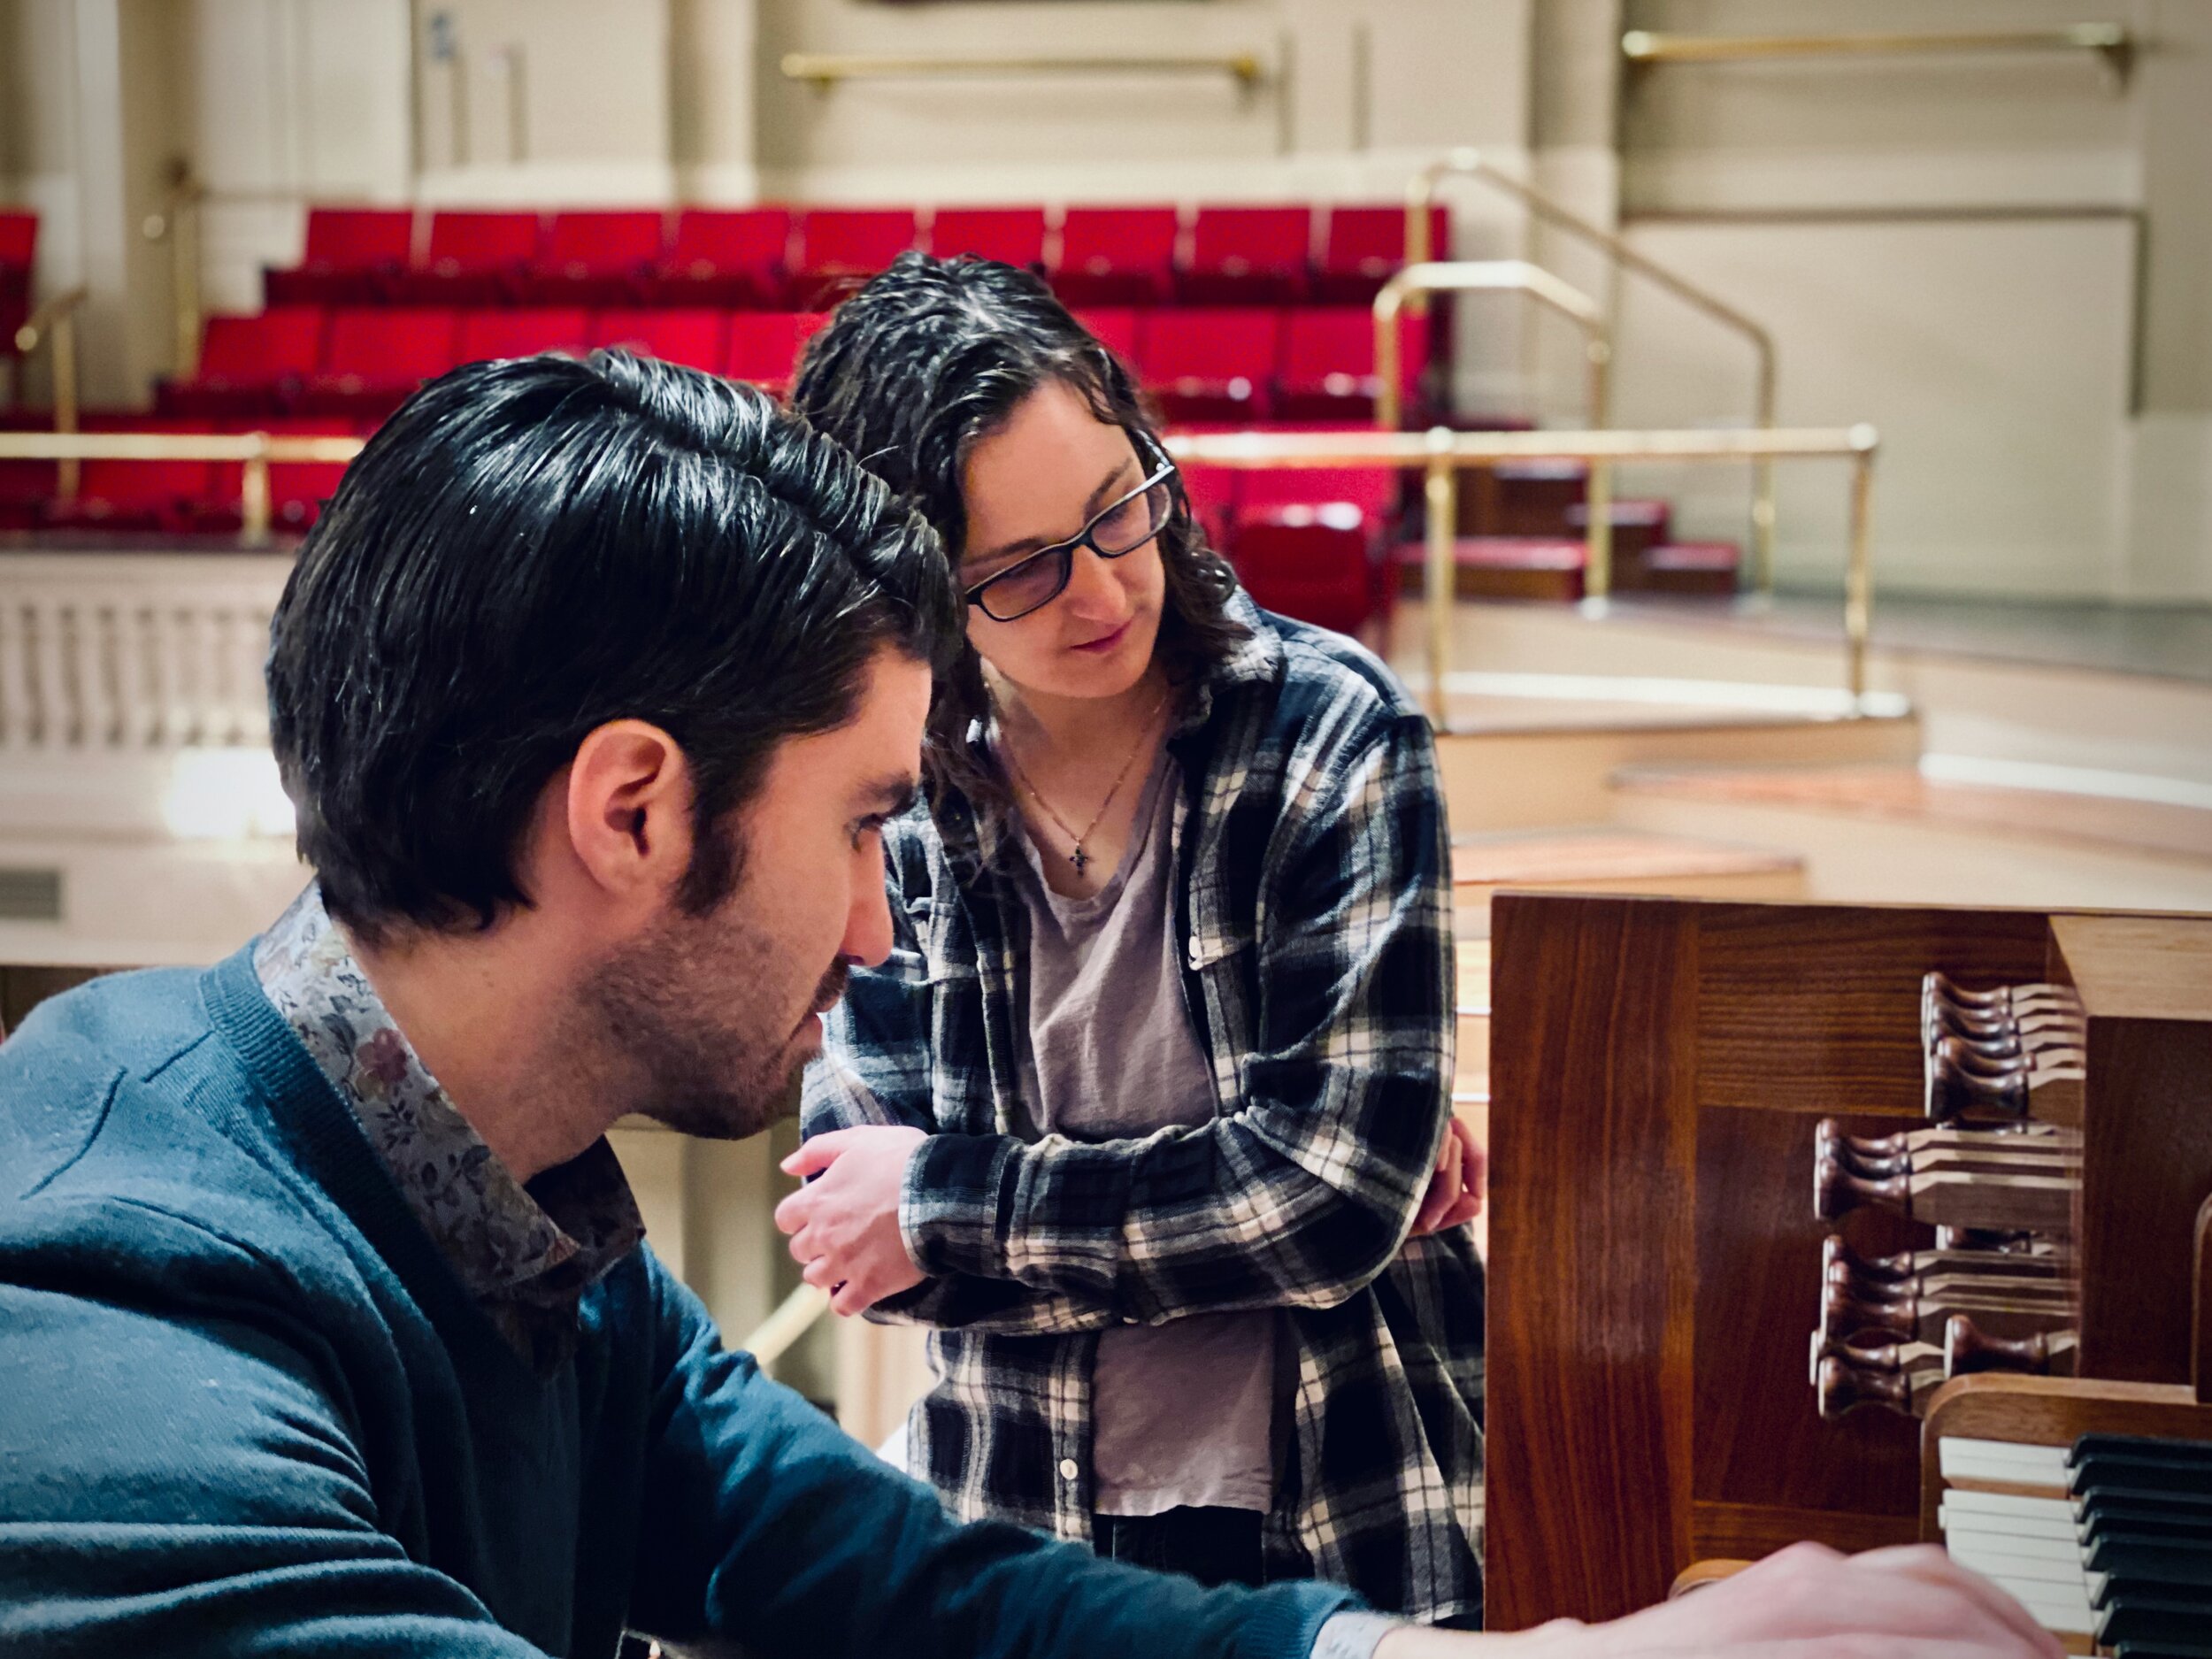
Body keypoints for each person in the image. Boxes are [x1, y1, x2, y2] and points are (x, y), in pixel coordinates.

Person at [0, 348, 2059, 1659]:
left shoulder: (519, 1208)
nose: (891, 926)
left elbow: (915, 1588)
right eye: (869, 821)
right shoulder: (116, 1356)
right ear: (632, 807)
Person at [780, 253, 1487, 1620]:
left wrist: (947, 1200)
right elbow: (848, 1238)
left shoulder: (1334, 731)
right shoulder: (891, 792)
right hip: (1017, 1532)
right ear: (921, 588)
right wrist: (1244, 1193)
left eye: (1120, 513)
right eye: (1023, 572)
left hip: (1350, 1522)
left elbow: (1329, 1201)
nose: (1102, 592)